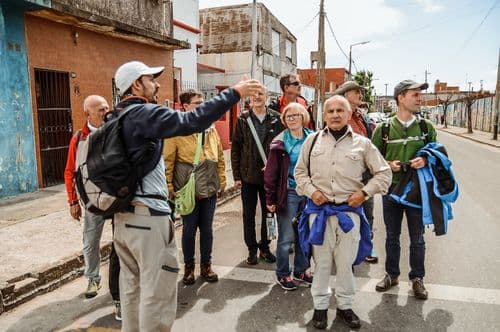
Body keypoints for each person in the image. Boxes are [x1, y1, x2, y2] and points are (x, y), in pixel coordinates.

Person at [112, 60, 262, 332]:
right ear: (136, 84)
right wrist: (234, 92)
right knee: (157, 295)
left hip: (124, 220)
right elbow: (190, 121)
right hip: (147, 218)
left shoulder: (117, 117)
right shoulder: (142, 113)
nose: (157, 84)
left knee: (133, 293)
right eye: (151, 79)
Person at [294, 95, 391, 329]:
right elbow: (299, 173)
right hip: (319, 213)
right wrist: (311, 191)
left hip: (349, 215)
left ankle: (345, 306)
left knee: (346, 263)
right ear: (324, 115)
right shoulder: (312, 141)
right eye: (331, 111)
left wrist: (364, 193)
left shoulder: (363, 144)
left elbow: (384, 173)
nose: (335, 115)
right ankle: (319, 307)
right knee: (322, 263)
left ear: (349, 114)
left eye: (340, 110)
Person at [371, 80, 437, 300]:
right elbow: (372, 160)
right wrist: (388, 165)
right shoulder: (384, 128)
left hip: (417, 192)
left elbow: (438, 155)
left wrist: (425, 159)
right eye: (415, 94)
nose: (420, 98)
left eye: (420, 95)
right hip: (392, 191)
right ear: (400, 97)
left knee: (417, 238)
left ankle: (417, 278)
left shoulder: (427, 127)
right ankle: (392, 274)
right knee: (392, 236)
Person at [63, 95, 122, 320]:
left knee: (122, 240)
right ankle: (93, 279)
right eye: (100, 109)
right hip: (92, 200)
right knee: (90, 241)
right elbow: (69, 172)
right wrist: (72, 201)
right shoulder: (79, 139)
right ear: (88, 113)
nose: (105, 112)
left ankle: (121, 280)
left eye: (107, 107)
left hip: (116, 197)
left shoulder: (115, 131)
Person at [164, 89, 225, 286]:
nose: (202, 105)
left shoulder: (211, 128)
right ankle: (188, 267)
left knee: (207, 229)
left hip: (209, 186)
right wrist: (169, 186)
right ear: (185, 106)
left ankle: (206, 266)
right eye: (197, 103)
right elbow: (168, 160)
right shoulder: (177, 129)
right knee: (189, 230)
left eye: (203, 102)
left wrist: (222, 179)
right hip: (188, 189)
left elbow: (220, 156)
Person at [231, 87, 284, 265]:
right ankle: (252, 249)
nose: (257, 97)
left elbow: (283, 146)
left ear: (267, 97)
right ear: (249, 99)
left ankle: (265, 247)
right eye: (254, 95)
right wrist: (237, 175)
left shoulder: (277, 118)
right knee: (249, 215)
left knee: (270, 213)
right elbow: (236, 148)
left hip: (270, 177)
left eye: (261, 94)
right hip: (248, 176)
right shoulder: (242, 119)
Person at [264, 102, 313, 291]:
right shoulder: (279, 142)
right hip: (289, 192)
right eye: (288, 116)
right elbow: (270, 173)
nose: (291, 119)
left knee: (304, 235)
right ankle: (283, 274)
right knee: (286, 237)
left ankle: (301, 270)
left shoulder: (313, 138)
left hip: (309, 193)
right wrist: (270, 199)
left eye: (295, 115)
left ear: (304, 118)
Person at [335, 81, 378, 263]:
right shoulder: (339, 118)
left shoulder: (362, 117)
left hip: (365, 173)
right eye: (356, 92)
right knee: (346, 212)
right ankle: (343, 249)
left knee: (368, 212)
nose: (360, 94)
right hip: (348, 173)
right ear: (346, 96)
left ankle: (366, 247)